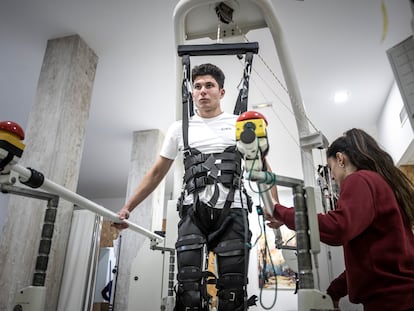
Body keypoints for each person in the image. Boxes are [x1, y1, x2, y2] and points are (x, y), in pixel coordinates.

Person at [114, 63, 254, 311]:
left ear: (221, 92)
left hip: (233, 213)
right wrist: (128, 208)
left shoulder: (240, 123)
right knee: (188, 292)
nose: (202, 91)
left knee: (233, 294)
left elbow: (262, 165)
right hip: (193, 213)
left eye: (209, 85)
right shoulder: (179, 128)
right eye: (197, 86)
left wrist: (274, 211)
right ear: (191, 93)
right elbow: (157, 172)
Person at [266, 128, 414, 311]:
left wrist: (277, 210)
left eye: (330, 169)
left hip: (393, 302)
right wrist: (334, 291)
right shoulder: (379, 183)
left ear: (341, 159)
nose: (333, 177)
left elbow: (338, 227)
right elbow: (371, 261)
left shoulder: (359, 179)